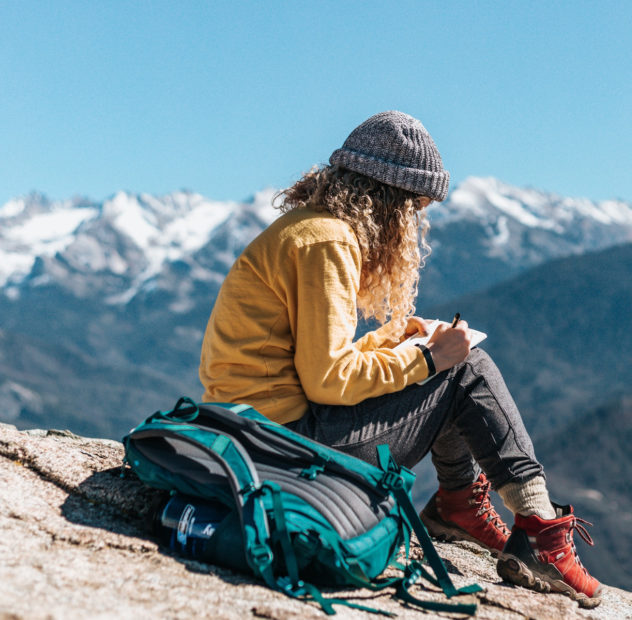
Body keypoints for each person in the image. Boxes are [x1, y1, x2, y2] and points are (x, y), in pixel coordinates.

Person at [199, 110, 602, 608]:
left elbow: (305, 363)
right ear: (390, 199)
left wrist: (394, 342)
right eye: (415, 207)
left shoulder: (306, 229)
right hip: (285, 446)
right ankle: (540, 533)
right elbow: (328, 381)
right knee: (467, 369)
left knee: (453, 363)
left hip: (252, 432)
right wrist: (429, 361)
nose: (414, 222)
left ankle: (459, 504)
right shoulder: (329, 242)